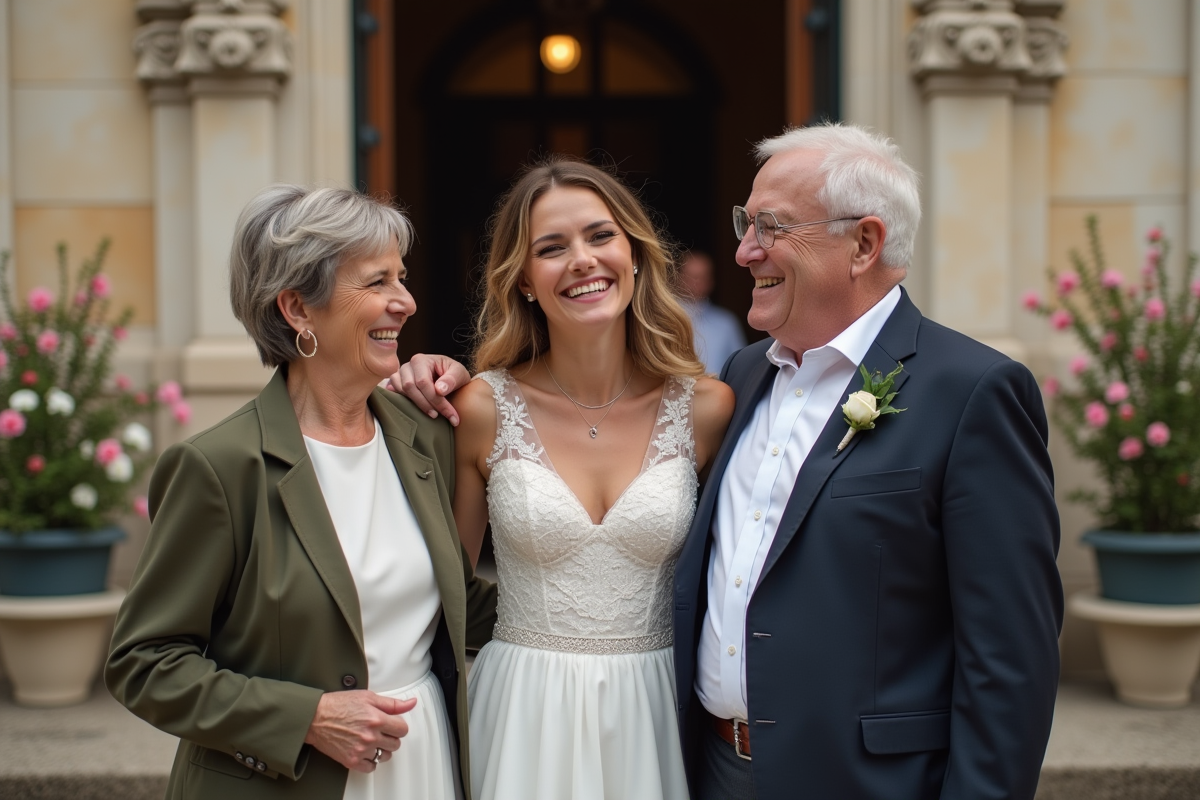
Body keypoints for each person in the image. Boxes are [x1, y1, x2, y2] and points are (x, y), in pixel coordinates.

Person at [398, 122, 1064, 800]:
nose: (744, 251)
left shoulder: (969, 392)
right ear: (522, 279)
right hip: (673, 752)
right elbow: (437, 594)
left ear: (864, 243)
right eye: (746, 225)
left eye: (770, 226)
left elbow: (1009, 658)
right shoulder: (746, 379)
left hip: (845, 774)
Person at [105, 185, 497, 800]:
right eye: (377, 282)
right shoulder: (218, 467)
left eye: (401, 277)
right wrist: (307, 718)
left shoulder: (427, 435)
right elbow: (144, 663)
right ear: (297, 309)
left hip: (425, 766)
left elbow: (454, 603)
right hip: (285, 782)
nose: (406, 301)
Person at [402, 157, 733, 800]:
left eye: (601, 236)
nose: (582, 260)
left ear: (634, 255)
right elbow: (443, 594)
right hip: (524, 712)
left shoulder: (708, 409)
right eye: (551, 248)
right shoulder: (481, 409)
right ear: (524, 281)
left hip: (658, 712)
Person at [679, 250, 746, 373]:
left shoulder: (727, 322)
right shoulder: (666, 317)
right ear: (679, 279)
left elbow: (741, 366)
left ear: (711, 281)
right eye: (692, 277)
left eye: (703, 277)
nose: (696, 283)